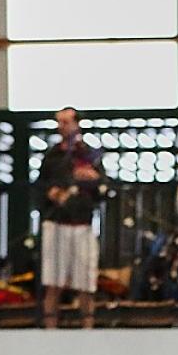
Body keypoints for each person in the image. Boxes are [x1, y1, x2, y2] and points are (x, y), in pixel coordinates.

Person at [38, 107, 108, 330]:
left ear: (77, 124)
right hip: (57, 223)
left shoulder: (90, 155)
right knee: (53, 281)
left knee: (86, 281)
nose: (62, 127)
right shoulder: (52, 156)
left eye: (66, 122)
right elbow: (41, 187)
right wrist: (53, 194)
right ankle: (51, 329)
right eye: (59, 122)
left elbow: (104, 190)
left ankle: (87, 327)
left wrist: (93, 179)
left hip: (83, 224)